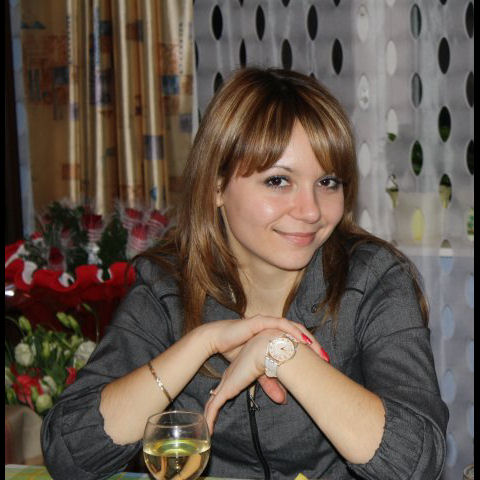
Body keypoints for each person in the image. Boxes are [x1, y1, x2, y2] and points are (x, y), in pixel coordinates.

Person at [41, 67, 448, 480]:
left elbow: (417, 462)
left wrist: (281, 353)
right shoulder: (169, 284)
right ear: (217, 186)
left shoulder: (372, 279)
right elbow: (70, 453)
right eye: (278, 181)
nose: (311, 210)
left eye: (327, 181)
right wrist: (203, 342)